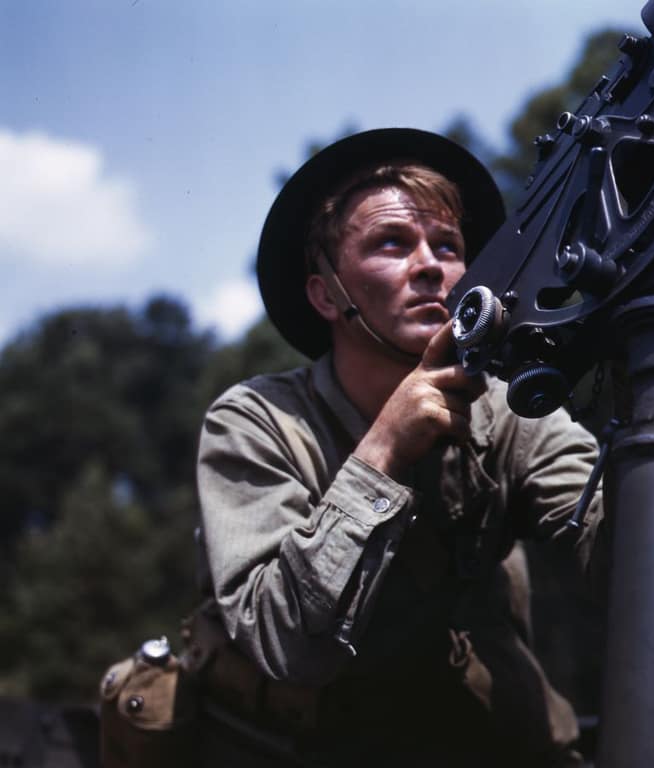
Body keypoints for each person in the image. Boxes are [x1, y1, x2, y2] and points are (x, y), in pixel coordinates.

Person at [188, 128, 605, 767]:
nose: (431, 266)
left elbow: (619, 556)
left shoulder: (507, 409)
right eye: (391, 244)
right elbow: (286, 645)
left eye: (448, 245)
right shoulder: (256, 423)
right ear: (326, 294)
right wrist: (384, 447)